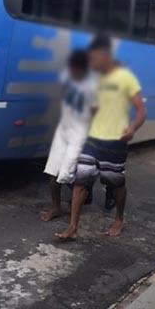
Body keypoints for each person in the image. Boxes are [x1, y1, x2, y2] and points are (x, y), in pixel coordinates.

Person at [55, 35, 146, 240]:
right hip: (92, 139)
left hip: (116, 141)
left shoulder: (125, 78)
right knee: (80, 181)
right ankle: (72, 227)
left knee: (116, 183)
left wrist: (132, 128)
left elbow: (141, 111)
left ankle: (119, 219)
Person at [40, 50, 97, 222]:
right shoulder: (68, 80)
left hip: (81, 135)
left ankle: (74, 217)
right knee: (53, 174)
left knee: (74, 176)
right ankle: (56, 207)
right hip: (63, 131)